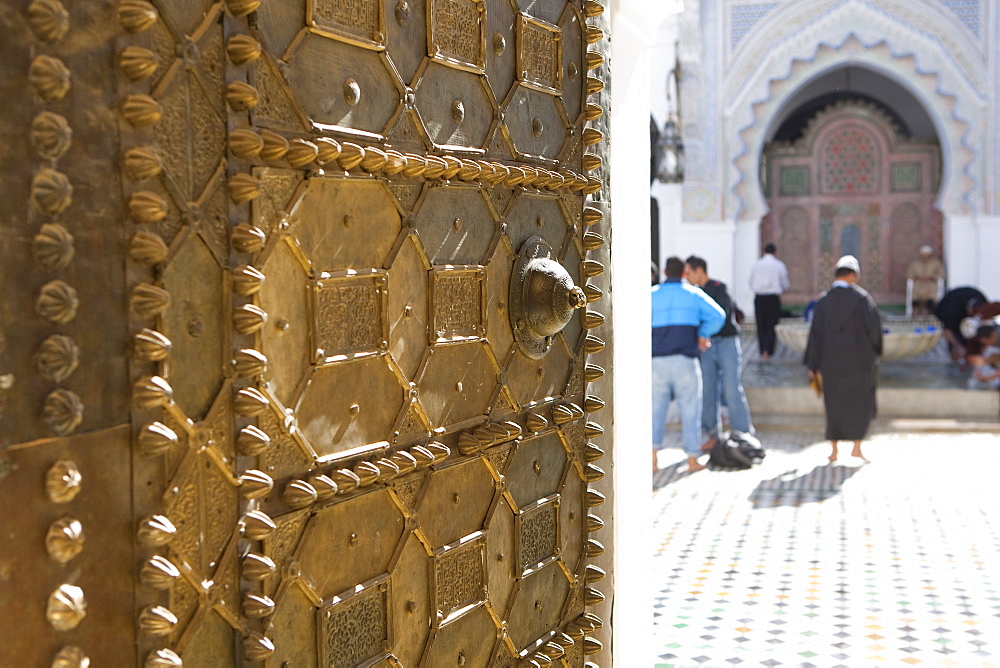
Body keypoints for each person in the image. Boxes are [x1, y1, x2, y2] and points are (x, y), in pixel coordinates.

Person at [804, 255, 883, 463]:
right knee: (860, 404)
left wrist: (813, 364)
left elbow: (815, 335)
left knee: (834, 404)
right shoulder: (863, 300)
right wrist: (875, 352)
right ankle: (857, 447)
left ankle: (834, 451)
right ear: (852, 275)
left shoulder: (823, 302)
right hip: (860, 363)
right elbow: (875, 330)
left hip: (831, 364)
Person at [652, 256, 726, 473]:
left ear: (665, 272)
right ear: (684, 273)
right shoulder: (694, 294)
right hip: (686, 361)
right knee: (691, 410)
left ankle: (653, 459)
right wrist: (703, 334)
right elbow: (718, 316)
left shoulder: (651, 295)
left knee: (655, 411)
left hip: (656, 362)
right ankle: (692, 460)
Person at [684, 255, 755, 450]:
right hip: (706, 347)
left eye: (688, 272)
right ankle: (713, 435)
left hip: (727, 344)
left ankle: (743, 435)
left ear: (699, 270)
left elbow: (722, 315)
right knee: (707, 390)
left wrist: (704, 330)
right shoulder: (693, 293)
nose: (687, 276)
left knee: (732, 388)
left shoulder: (719, 287)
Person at [748, 243, 790, 359]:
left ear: (763, 252)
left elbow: (750, 282)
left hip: (759, 297)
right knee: (772, 325)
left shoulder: (756, 265)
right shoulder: (779, 265)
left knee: (761, 324)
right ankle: (769, 350)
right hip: (772, 298)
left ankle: (762, 351)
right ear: (775, 252)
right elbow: (785, 283)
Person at [906, 245, 945, 315]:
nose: (925, 256)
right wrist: (918, 277)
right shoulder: (916, 263)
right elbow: (909, 274)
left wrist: (931, 277)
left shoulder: (936, 263)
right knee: (916, 299)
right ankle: (916, 311)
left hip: (931, 283)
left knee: (930, 299)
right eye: (924, 254)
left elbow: (941, 274)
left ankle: (927, 311)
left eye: (927, 254)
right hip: (918, 283)